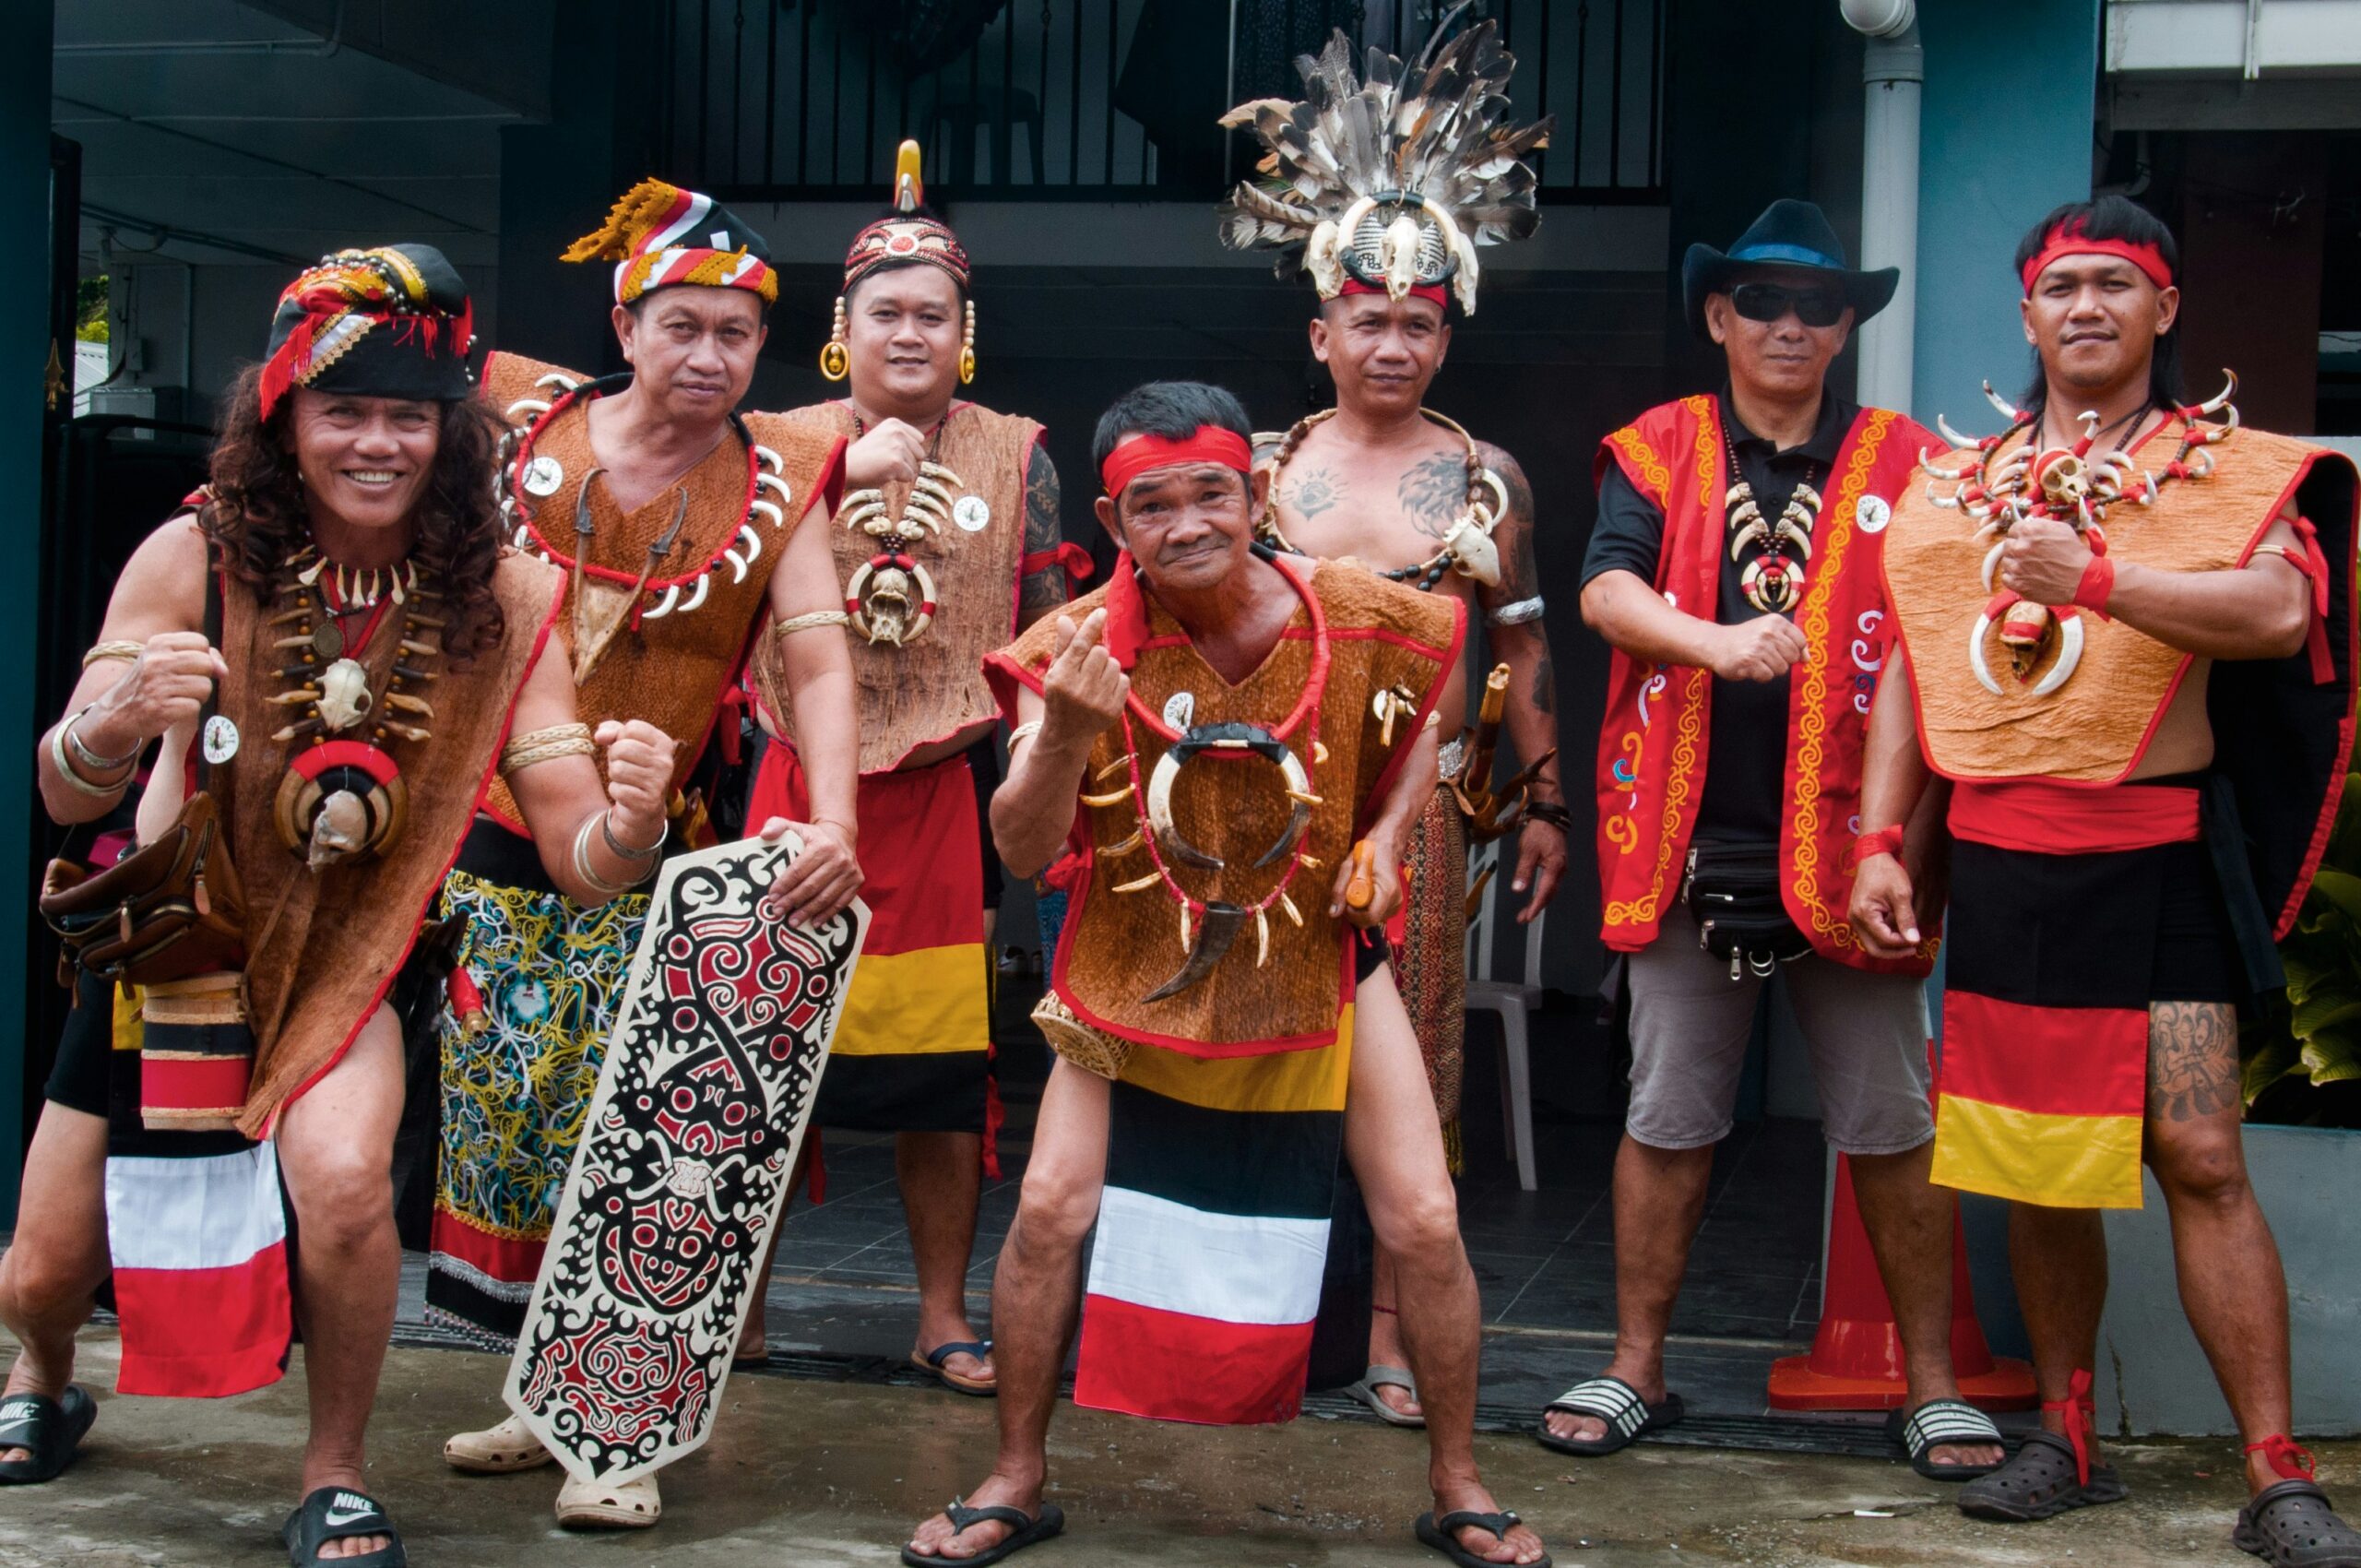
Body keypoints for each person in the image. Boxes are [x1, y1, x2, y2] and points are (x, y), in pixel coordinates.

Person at [0, 245, 691, 1567]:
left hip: (355, 959)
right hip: (175, 951)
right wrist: (117, 722)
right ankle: (37, 1376)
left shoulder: (505, 594)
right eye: (346, 411)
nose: (378, 442)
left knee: (344, 1182)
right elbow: (62, 795)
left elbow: (574, 855)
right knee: (40, 1268)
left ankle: (334, 1472)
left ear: (449, 430)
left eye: (409, 416)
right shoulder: (187, 552)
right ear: (284, 417)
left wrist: (638, 822)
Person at [903, 381, 1549, 1568]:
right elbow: (1019, 846)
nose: (1188, 521)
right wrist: (1060, 730)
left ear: (1254, 496)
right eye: (1154, 502)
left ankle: (1461, 1480)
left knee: (1424, 1214)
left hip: (1318, 953)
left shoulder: (1361, 614)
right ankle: (1014, 1475)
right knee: (1047, 1211)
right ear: (1113, 517)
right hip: (1126, 966)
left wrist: (1383, 839)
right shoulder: (1071, 647)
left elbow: (1430, 734)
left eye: (1213, 491)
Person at [1857, 196, 2361, 1561]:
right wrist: (1877, 839)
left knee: (2201, 1154)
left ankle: (2276, 1470)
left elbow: (2282, 613)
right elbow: (1913, 658)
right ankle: (2065, 1435)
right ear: (2027, 313)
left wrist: (2102, 575)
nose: (2086, 308)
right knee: (2039, 1170)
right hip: (2012, 865)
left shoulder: (2225, 468)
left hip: (2162, 854)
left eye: (2116, 286)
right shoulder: (1963, 482)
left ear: (2166, 310)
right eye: (2062, 286)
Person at [429, 180, 863, 1529]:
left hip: (656, 863)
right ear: (628, 322)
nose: (712, 357)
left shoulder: (780, 476)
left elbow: (817, 652)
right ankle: (531, 1390)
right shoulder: (510, 419)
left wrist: (836, 816)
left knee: (641, 1139)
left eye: (737, 334)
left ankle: (612, 1440)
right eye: (684, 326)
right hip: (485, 835)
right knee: (507, 1129)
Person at [1550, 199, 2006, 1479]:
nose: (1791, 326)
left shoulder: (1914, 461)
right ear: (1718, 317)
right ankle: (1637, 1367)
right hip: (1688, 839)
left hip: (1859, 846)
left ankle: (1929, 1386)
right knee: (1669, 1114)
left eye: (1819, 307)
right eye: (1762, 304)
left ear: (1849, 325)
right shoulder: (1658, 446)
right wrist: (1717, 643)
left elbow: (1942, 645)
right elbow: (1603, 590)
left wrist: (1901, 840)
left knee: (1890, 1122)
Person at [1216, 17, 1566, 1426]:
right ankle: (1249, 1330)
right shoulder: (1252, 471)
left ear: (1447, 327)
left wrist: (1545, 805)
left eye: (1421, 319)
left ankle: (1386, 1335)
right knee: (1245, 1052)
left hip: (1415, 818)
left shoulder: (1489, 482)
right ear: (1322, 327)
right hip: (1249, 802)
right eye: (1369, 317)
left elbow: (1528, 651)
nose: (1394, 340)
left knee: (1411, 1061)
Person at [740, 141, 1083, 1396]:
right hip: (788, 782)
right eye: (884, 310)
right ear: (843, 328)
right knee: (758, 1059)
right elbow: (711, 608)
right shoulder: (773, 445)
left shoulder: (1017, 455)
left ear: (964, 331)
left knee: (941, 1077)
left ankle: (943, 1315)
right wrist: (832, 483)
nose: (908, 332)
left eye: (931, 314)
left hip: (941, 791)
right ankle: (743, 1308)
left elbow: (1052, 634)